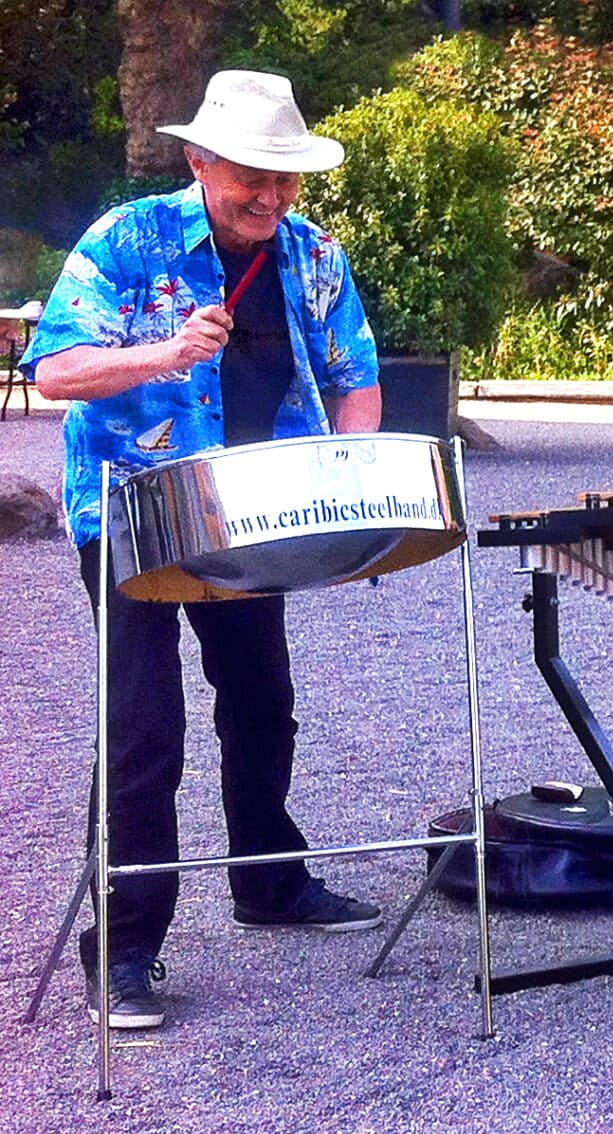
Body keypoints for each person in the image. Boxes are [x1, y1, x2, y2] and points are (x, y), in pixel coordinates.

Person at [24, 71, 386, 1031]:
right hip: (133, 513)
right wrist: (165, 353)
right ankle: (125, 948)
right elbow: (56, 370)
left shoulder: (313, 254)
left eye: (285, 177)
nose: (271, 197)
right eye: (251, 177)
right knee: (145, 727)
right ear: (199, 161)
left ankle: (269, 884)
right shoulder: (126, 240)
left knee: (262, 700)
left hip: (255, 513)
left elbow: (355, 374)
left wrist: (351, 484)